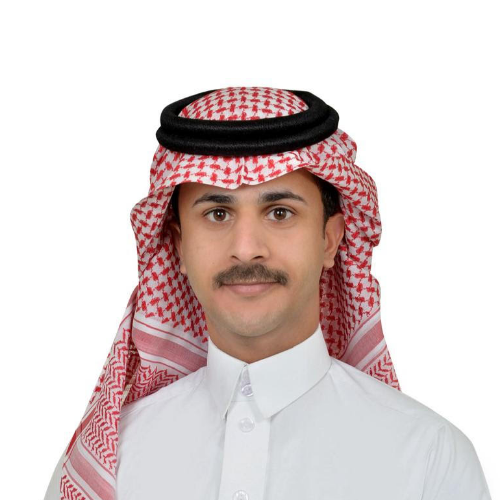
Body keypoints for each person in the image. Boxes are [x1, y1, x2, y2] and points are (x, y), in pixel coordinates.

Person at [44, 87, 492, 500]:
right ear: (179, 246)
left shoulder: (428, 457)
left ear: (330, 240)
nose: (245, 249)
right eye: (217, 214)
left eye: (279, 212)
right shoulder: (102, 468)